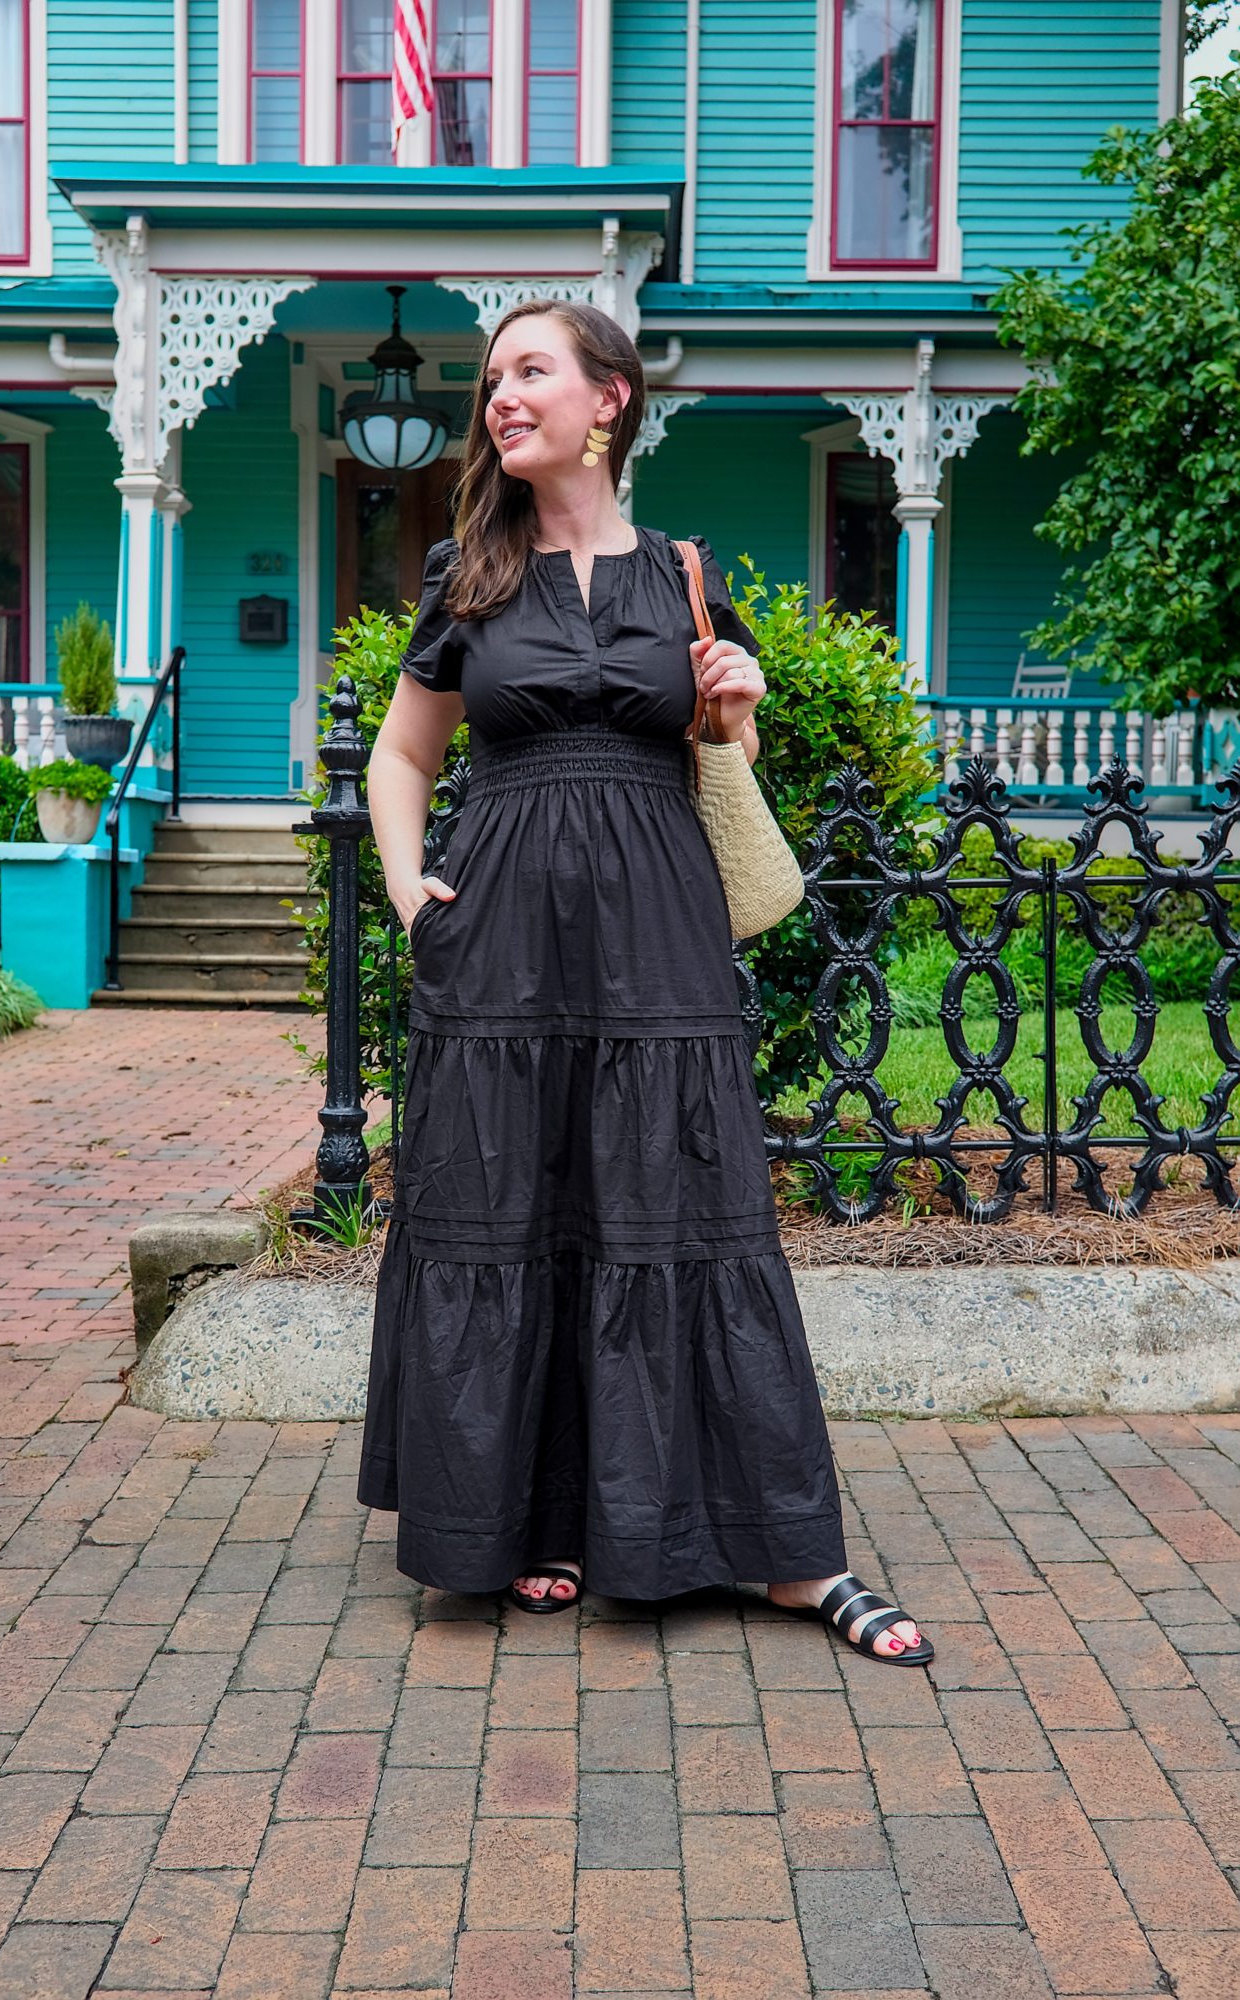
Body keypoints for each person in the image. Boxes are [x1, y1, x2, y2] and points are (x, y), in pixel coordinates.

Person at [356, 297, 931, 1666]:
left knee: (679, 1204)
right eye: (492, 378)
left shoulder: (681, 575)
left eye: (531, 371)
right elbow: (400, 756)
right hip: (496, 927)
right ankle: (531, 1523)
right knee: (514, 1198)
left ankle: (793, 1560)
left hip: (655, 924)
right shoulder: (465, 574)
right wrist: (401, 880)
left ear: (607, 399)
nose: (502, 396)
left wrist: (729, 710)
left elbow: (716, 759)